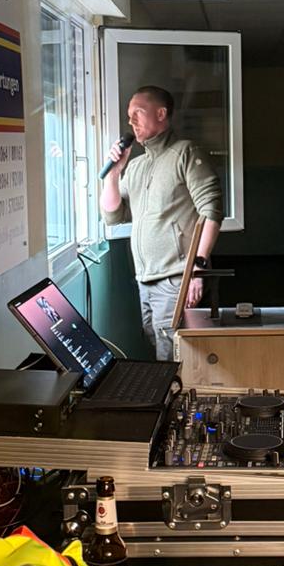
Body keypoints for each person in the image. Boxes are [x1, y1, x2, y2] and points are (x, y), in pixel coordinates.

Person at [100, 85, 223, 360]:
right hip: (145, 279)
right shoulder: (137, 166)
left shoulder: (186, 153)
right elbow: (112, 215)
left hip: (176, 278)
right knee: (159, 349)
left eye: (138, 113)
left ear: (161, 113)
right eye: (129, 116)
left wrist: (197, 269)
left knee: (172, 356)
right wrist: (114, 174)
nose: (131, 121)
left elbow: (212, 211)